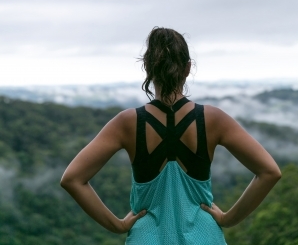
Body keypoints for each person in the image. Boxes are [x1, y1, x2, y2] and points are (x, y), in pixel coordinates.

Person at [60, 27, 281, 244]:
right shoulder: (213, 119)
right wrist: (228, 218)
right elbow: (269, 172)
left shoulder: (127, 123)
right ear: (187, 68)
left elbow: (72, 179)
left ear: (147, 67)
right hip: (205, 237)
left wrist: (116, 225)